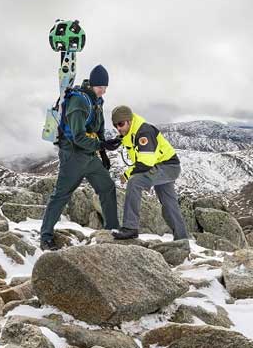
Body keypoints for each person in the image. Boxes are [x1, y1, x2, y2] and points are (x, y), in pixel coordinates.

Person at [39, 64, 120, 250]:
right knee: (61, 195)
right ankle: (46, 236)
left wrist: (103, 152)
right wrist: (101, 145)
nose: (103, 91)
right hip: (73, 156)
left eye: (106, 88)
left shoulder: (97, 101)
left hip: (90, 156)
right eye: (101, 87)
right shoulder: (79, 102)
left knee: (107, 187)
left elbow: (98, 129)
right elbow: (78, 137)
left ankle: (112, 232)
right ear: (92, 84)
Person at [110, 105, 189, 241]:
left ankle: (130, 227)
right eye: (115, 125)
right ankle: (182, 239)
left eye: (121, 124)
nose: (118, 128)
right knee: (169, 204)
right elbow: (137, 154)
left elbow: (146, 163)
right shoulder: (131, 132)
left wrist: (127, 174)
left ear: (129, 121)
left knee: (135, 182)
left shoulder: (144, 132)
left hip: (167, 167)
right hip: (166, 167)